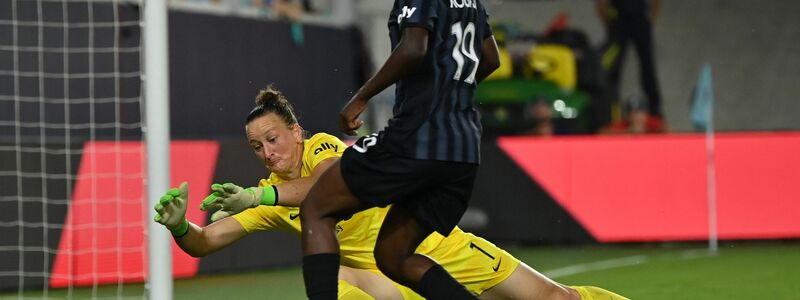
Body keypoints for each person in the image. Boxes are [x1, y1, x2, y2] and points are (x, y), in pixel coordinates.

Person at [153, 85, 627, 299]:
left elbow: (325, 185)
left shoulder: (320, 148)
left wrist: (261, 199)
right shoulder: (272, 196)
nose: (267, 153)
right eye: (257, 147)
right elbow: (207, 240)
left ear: (296, 133)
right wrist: (180, 227)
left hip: (435, 248)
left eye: (273, 139)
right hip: (389, 278)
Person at [299, 1, 501, 298]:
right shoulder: (471, 1)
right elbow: (491, 58)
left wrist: (361, 97)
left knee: (317, 208)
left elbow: (413, 49)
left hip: (419, 136)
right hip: (464, 148)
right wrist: (450, 93)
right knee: (394, 256)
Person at [595, 0, 665, 130]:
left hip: (640, 18)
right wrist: (609, 23)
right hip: (618, 21)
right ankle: (611, 116)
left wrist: (651, 18)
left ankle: (656, 115)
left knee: (648, 69)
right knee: (612, 72)